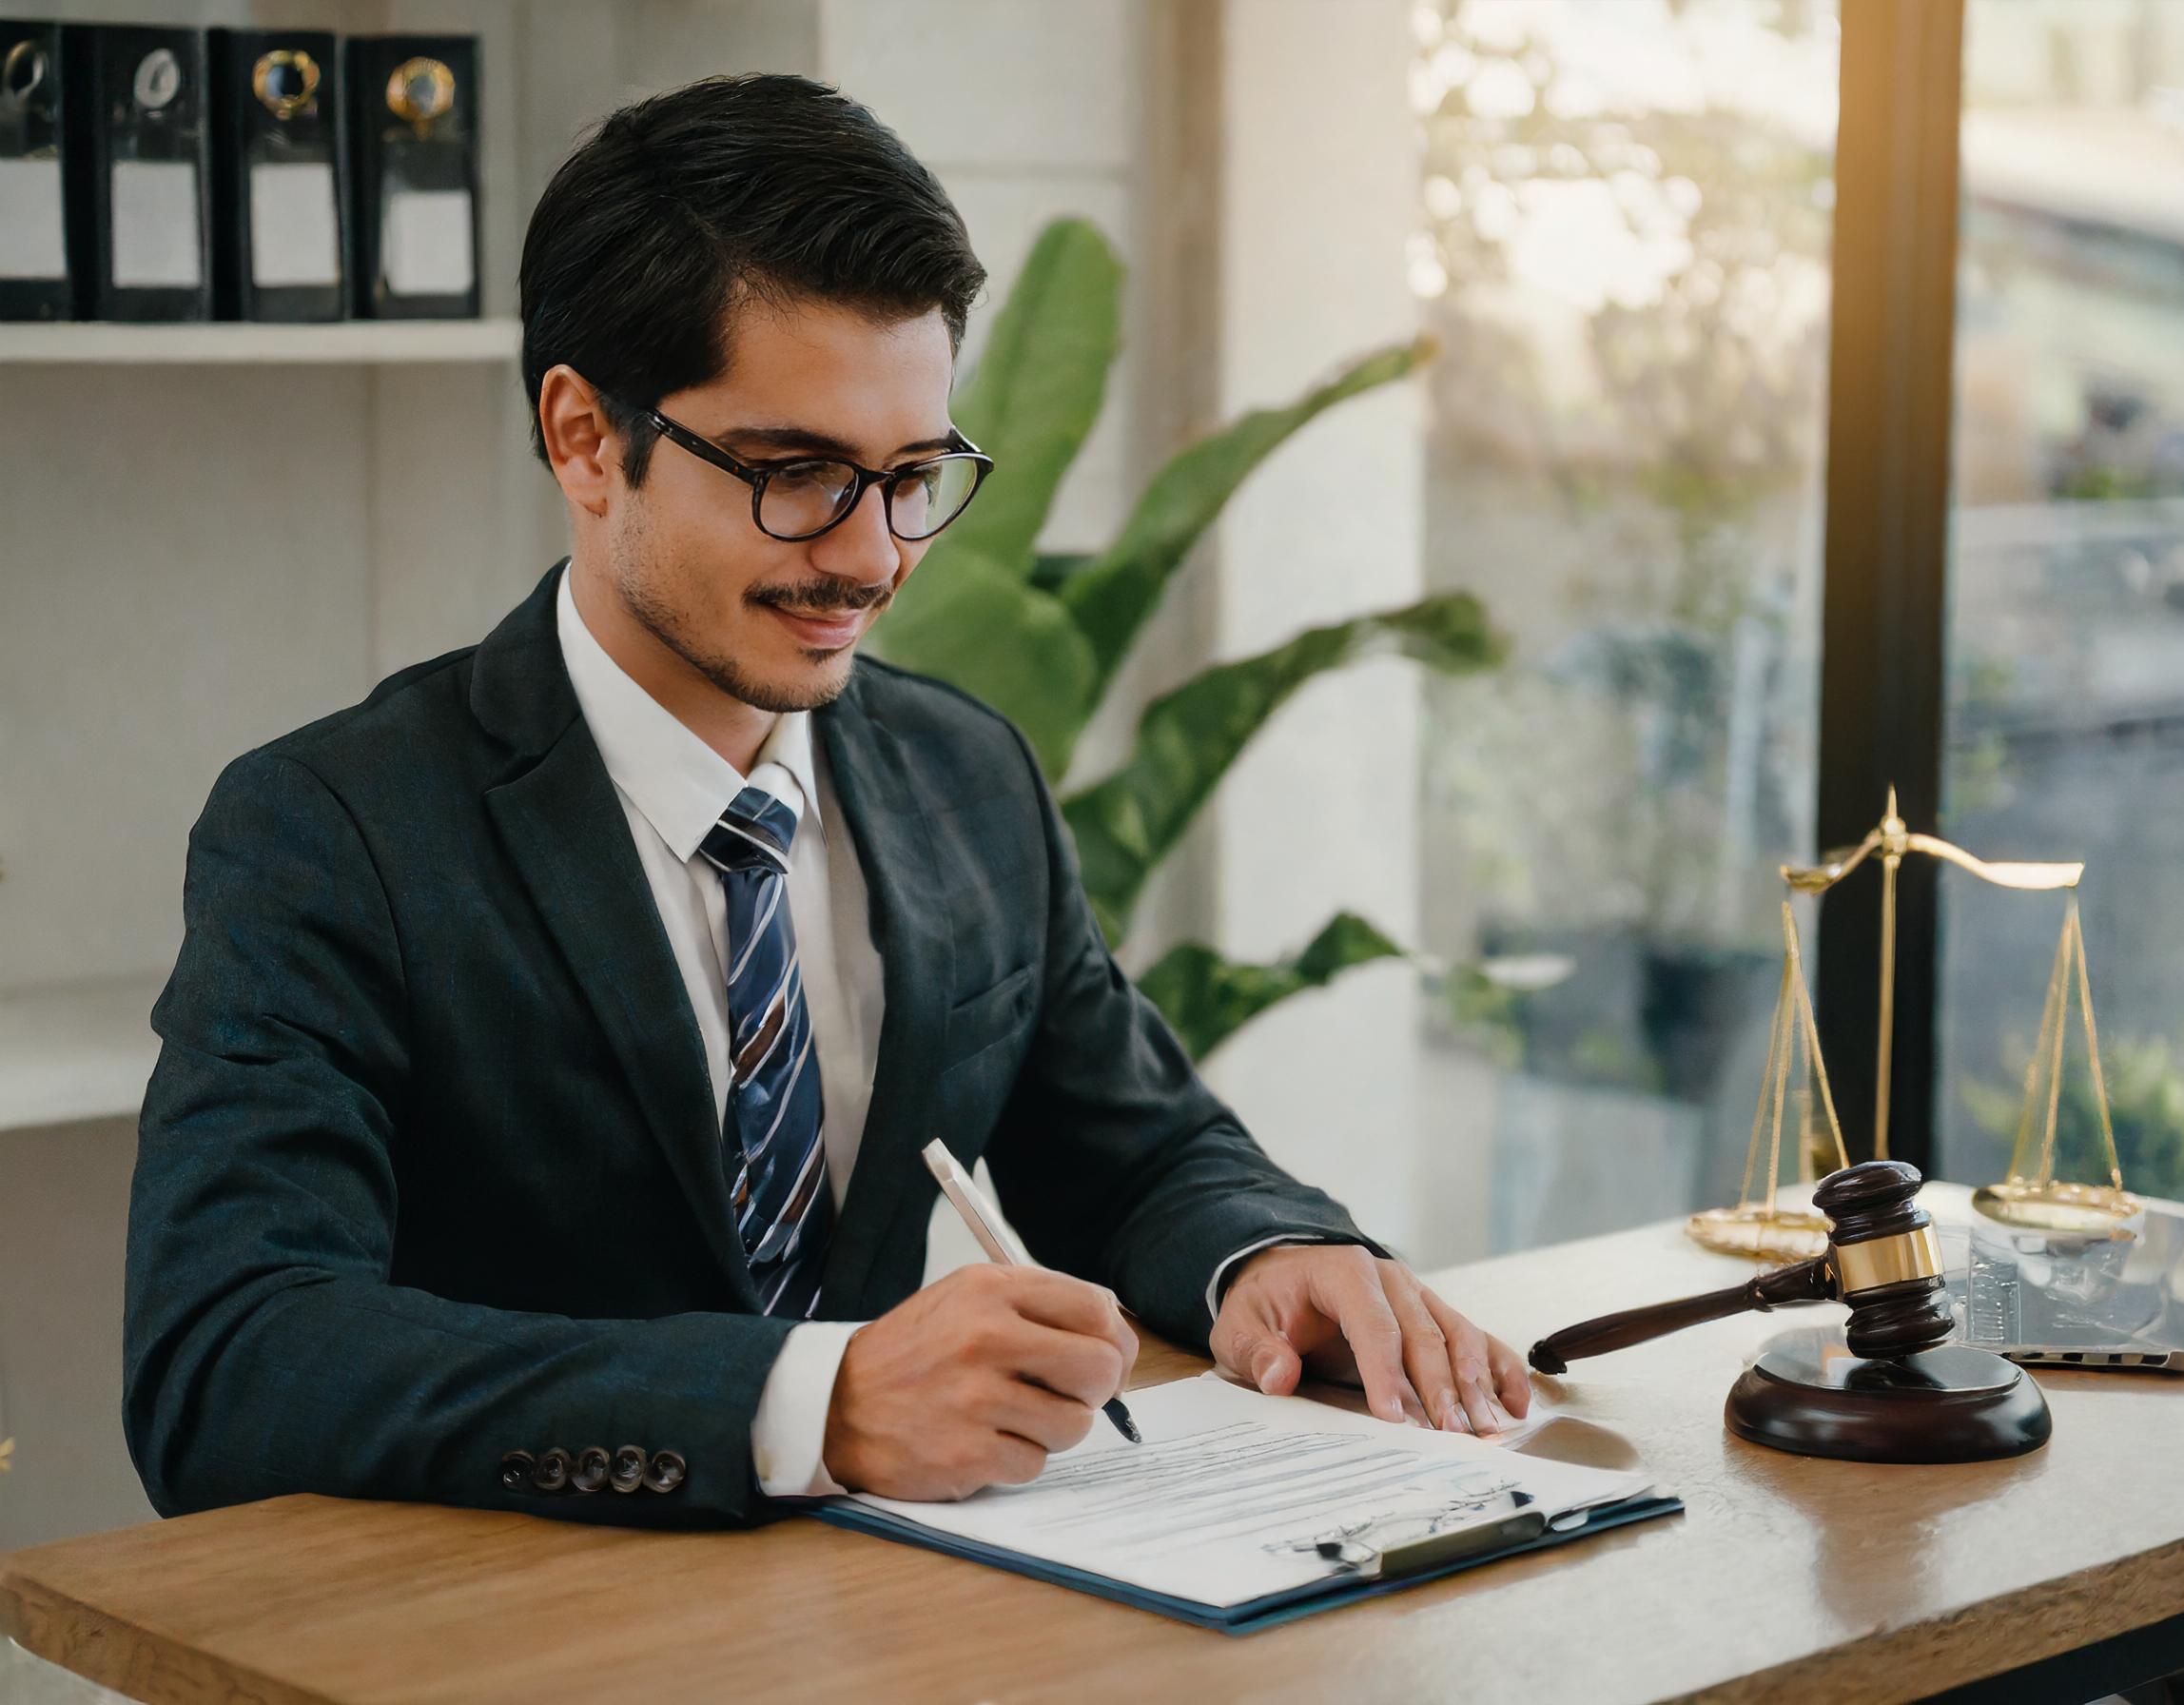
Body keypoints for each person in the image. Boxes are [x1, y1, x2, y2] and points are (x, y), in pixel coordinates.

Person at [123, 72, 1529, 1530]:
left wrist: (1266, 1258)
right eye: (795, 475)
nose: (870, 558)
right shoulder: (333, 832)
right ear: (587, 441)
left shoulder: (966, 776)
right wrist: (813, 1402)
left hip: (888, 1628)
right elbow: (226, 1363)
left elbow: (1142, 1152)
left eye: (912, 475)